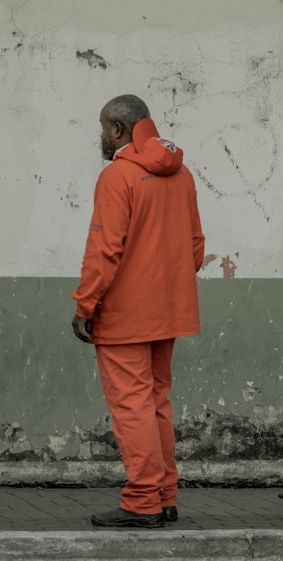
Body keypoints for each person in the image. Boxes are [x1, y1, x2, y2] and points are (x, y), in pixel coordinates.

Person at [71, 94, 205, 528]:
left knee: (132, 408)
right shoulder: (181, 174)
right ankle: (166, 496)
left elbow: (105, 249)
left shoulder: (118, 176)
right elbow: (195, 246)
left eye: (102, 126)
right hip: (168, 312)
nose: (101, 136)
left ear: (117, 129)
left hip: (125, 315)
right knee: (156, 403)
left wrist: (85, 305)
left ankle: (143, 501)